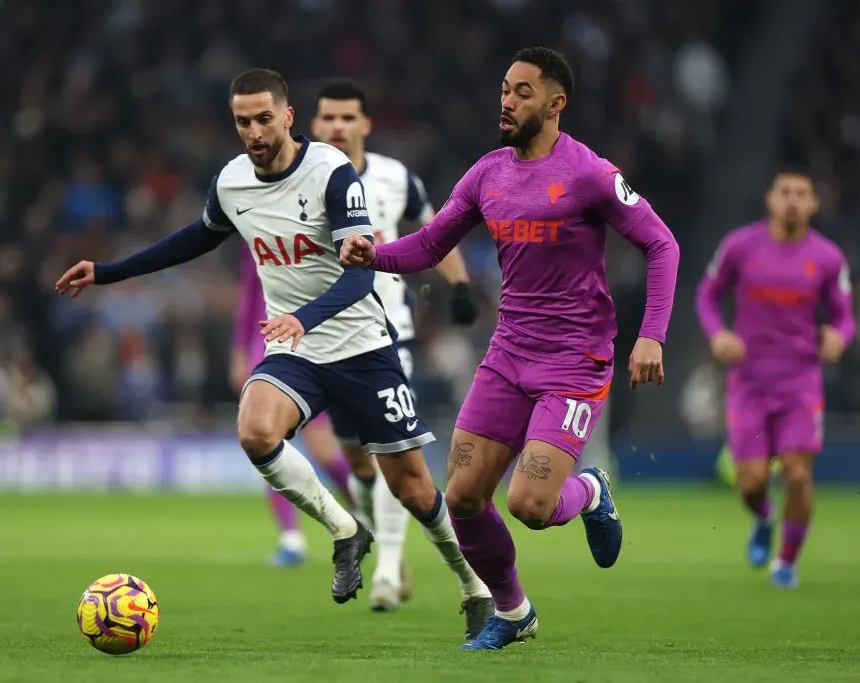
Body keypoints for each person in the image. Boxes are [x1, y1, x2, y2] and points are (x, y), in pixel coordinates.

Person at [55, 68, 494, 639]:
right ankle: (345, 532)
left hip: (363, 346)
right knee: (256, 432)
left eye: (265, 118)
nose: (255, 131)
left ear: (288, 117)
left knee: (412, 487)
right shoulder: (232, 181)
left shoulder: (332, 173)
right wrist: (109, 273)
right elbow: (193, 238)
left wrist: (301, 317)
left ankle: (474, 584)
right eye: (243, 122)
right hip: (298, 351)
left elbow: (360, 278)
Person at [340, 47, 680, 649]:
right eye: (504, 88)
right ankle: (514, 612)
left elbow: (662, 244)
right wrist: (377, 254)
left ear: (556, 103)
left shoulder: (590, 173)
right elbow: (428, 244)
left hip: (575, 360)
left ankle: (593, 491)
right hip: (507, 354)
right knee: (465, 496)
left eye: (522, 91)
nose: (507, 99)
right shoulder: (486, 173)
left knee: (528, 503)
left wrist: (651, 333)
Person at [310, 79, 479, 611]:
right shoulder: (301, 179)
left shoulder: (394, 177)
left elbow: (435, 233)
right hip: (326, 339)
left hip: (387, 334)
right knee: (361, 464)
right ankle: (390, 549)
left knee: (392, 455)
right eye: (329, 118)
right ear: (314, 126)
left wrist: (460, 285)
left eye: (348, 117)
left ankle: (385, 573)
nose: (338, 126)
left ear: (365, 124)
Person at [695, 168, 855, 589]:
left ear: (814, 204)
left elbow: (844, 315)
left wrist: (840, 335)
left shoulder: (827, 257)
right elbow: (707, 295)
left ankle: (786, 563)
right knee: (750, 483)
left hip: (801, 379)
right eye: (785, 191)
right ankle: (764, 516)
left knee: (799, 473)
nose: (792, 200)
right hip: (748, 381)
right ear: (770, 198)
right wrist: (718, 333)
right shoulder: (740, 246)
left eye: (802, 193)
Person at [229, 242, 361, 568]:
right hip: (268, 346)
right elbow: (250, 291)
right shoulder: (255, 226)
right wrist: (240, 349)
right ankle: (291, 538)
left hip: (311, 344)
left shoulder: (322, 220)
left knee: (325, 451)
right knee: (268, 444)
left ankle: (363, 515)